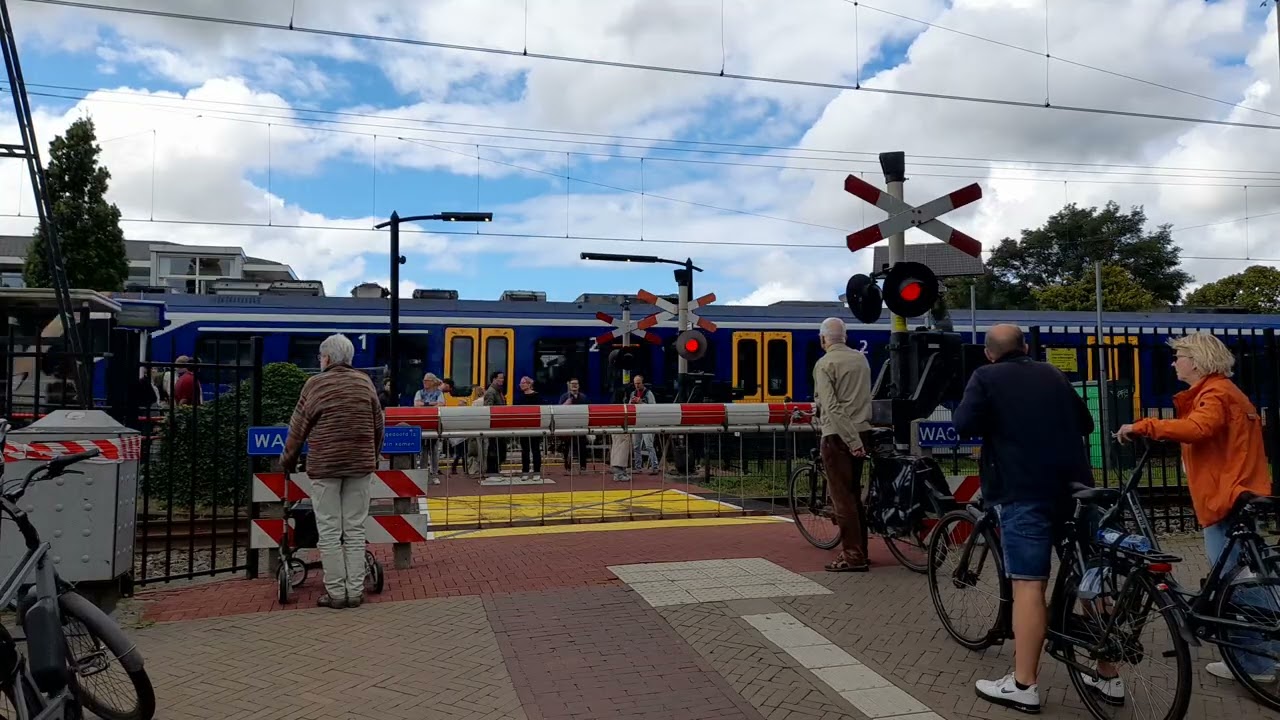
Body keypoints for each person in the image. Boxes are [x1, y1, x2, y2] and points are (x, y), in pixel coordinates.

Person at [1117, 331, 1276, 684]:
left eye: (1179, 357)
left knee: (1236, 583)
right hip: (1236, 493)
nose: (1174, 363)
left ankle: (1256, 663)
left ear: (1197, 361)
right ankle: (1265, 653)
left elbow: (1198, 428)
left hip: (1225, 498)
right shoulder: (1224, 391)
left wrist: (1144, 426)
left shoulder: (1215, 393)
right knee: (1250, 577)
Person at [952, 323, 1095, 713]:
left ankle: (1023, 684)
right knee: (1090, 574)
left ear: (989, 353)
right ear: (1027, 347)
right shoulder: (1054, 374)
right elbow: (1086, 423)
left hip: (1023, 492)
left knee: (1029, 585)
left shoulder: (985, 377)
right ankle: (1107, 672)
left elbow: (963, 425)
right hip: (1076, 490)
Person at [279, 334, 383, 610]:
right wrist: (372, 456)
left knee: (329, 530)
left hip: (325, 466)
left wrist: (288, 460)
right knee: (355, 529)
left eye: (320, 356)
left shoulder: (316, 384)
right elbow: (378, 425)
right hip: (360, 466)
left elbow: (298, 428)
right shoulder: (364, 382)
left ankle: (336, 593)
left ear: (326, 358)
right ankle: (355, 591)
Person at [811, 317, 873, 573]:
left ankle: (853, 556)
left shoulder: (825, 364)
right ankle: (861, 550)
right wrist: (858, 439)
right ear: (845, 337)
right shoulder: (861, 360)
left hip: (838, 436)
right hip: (863, 431)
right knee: (854, 495)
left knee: (842, 499)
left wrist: (851, 441)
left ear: (823, 339)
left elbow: (832, 406)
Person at [414, 373, 446, 482]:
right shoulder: (419, 392)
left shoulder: (439, 393)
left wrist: (424, 404)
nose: (424, 382)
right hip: (422, 425)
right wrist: (431, 404)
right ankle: (423, 473)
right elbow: (416, 404)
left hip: (434, 425)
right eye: (424, 380)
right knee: (423, 450)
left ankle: (434, 474)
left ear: (432, 382)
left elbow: (441, 405)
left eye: (427, 380)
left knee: (434, 450)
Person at [630, 374, 660, 474]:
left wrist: (641, 403)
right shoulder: (633, 393)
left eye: (639, 383)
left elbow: (654, 407)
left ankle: (655, 466)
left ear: (643, 383)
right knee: (636, 446)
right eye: (635, 384)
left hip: (647, 422)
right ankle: (638, 467)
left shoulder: (648, 394)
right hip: (637, 421)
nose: (637, 386)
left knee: (648, 445)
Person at [515, 376, 543, 478]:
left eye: (523, 383)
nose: (521, 385)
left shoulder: (537, 396)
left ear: (529, 384)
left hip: (535, 426)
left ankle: (537, 472)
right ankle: (525, 471)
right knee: (525, 450)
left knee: (536, 449)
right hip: (523, 427)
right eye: (520, 383)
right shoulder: (520, 397)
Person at [559, 378, 589, 472]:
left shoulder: (584, 397)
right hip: (568, 425)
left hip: (580, 425)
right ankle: (567, 465)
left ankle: (583, 466)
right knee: (567, 446)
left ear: (579, 385)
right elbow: (559, 410)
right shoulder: (564, 397)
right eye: (572, 384)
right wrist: (566, 404)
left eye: (576, 383)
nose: (574, 385)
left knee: (582, 445)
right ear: (569, 385)